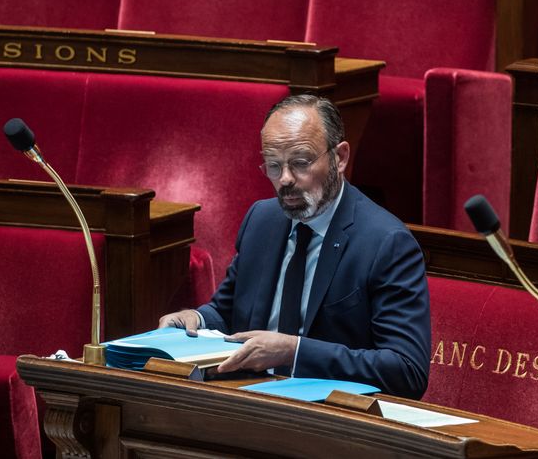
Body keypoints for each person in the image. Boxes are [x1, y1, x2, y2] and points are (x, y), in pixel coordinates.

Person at [159, 94, 431, 399]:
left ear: (340, 158)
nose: (285, 179)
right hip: (247, 401)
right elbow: (228, 312)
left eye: (300, 163)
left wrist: (294, 351)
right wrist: (197, 320)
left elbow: (407, 371)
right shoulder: (261, 220)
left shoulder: (386, 243)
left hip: (331, 418)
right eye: (274, 166)